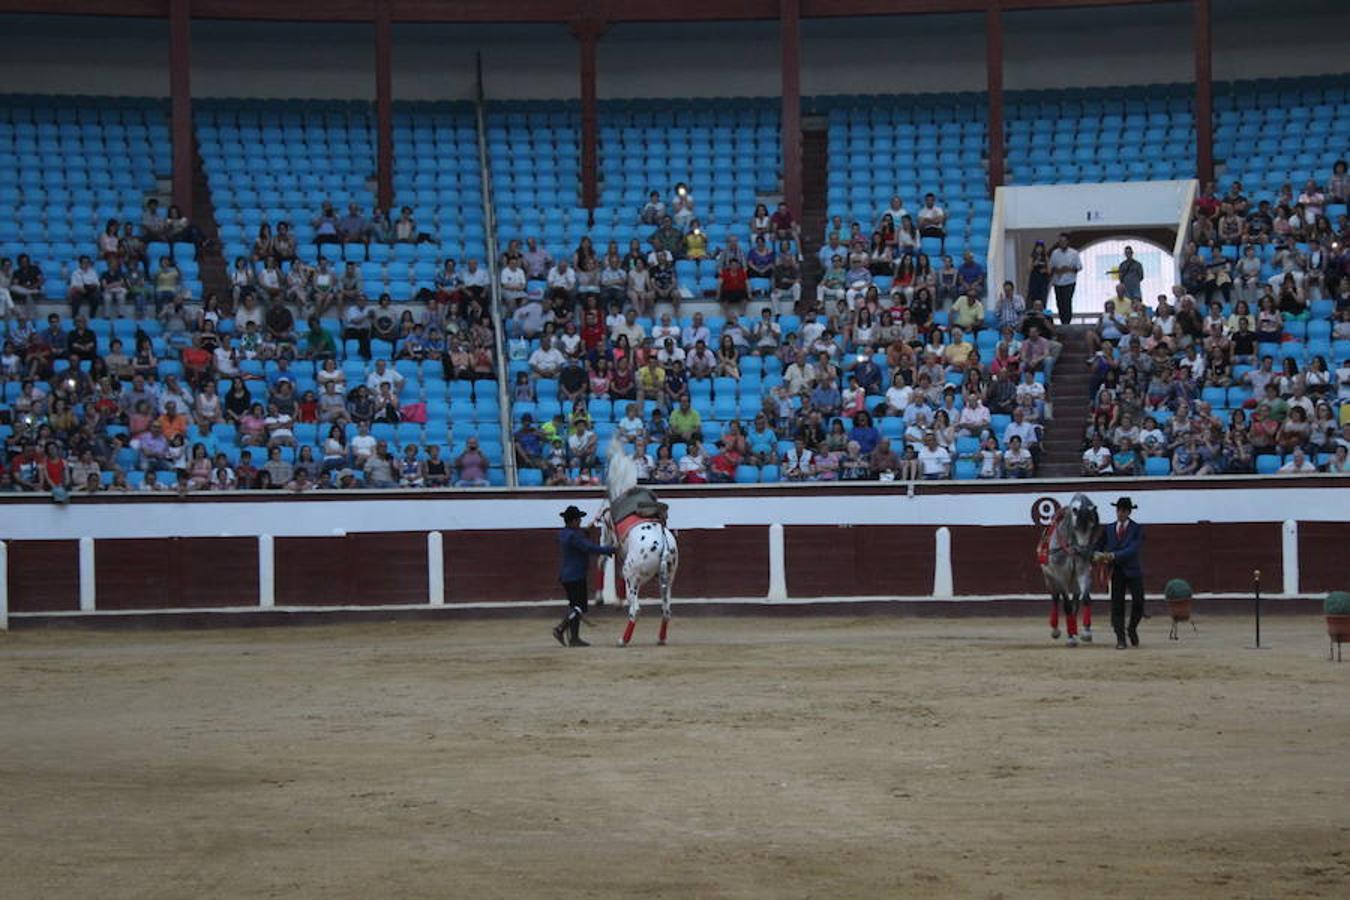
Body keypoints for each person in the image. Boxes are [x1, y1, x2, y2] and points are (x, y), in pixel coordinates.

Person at [552, 505, 616, 648]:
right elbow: (589, 548)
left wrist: (585, 532)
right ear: (573, 521)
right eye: (579, 519)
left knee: (574, 607)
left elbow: (579, 540)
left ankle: (574, 639)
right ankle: (560, 629)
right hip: (576, 576)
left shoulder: (564, 533)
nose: (581, 521)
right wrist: (611, 549)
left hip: (567, 576)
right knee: (578, 607)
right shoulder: (574, 536)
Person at [1094, 497, 1145, 650]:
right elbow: (1098, 545)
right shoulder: (1109, 528)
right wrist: (1094, 554)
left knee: (1139, 603)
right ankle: (1120, 639)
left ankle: (1132, 628)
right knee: (1117, 605)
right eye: (1118, 510)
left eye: (1123, 511)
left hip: (1133, 571)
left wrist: (1113, 556)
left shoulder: (1137, 528)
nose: (1120, 513)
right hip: (1116, 571)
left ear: (1129, 512)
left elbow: (1133, 549)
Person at [1049, 233, 1081, 326]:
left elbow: (1079, 267)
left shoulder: (1074, 253)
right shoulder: (1055, 253)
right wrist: (1057, 270)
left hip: (1069, 281)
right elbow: (1051, 267)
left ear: (1067, 242)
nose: (1062, 243)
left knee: (1067, 301)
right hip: (1057, 281)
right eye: (1060, 241)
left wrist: (1068, 268)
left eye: (1064, 241)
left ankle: (1067, 322)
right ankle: (1062, 321)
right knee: (1059, 303)